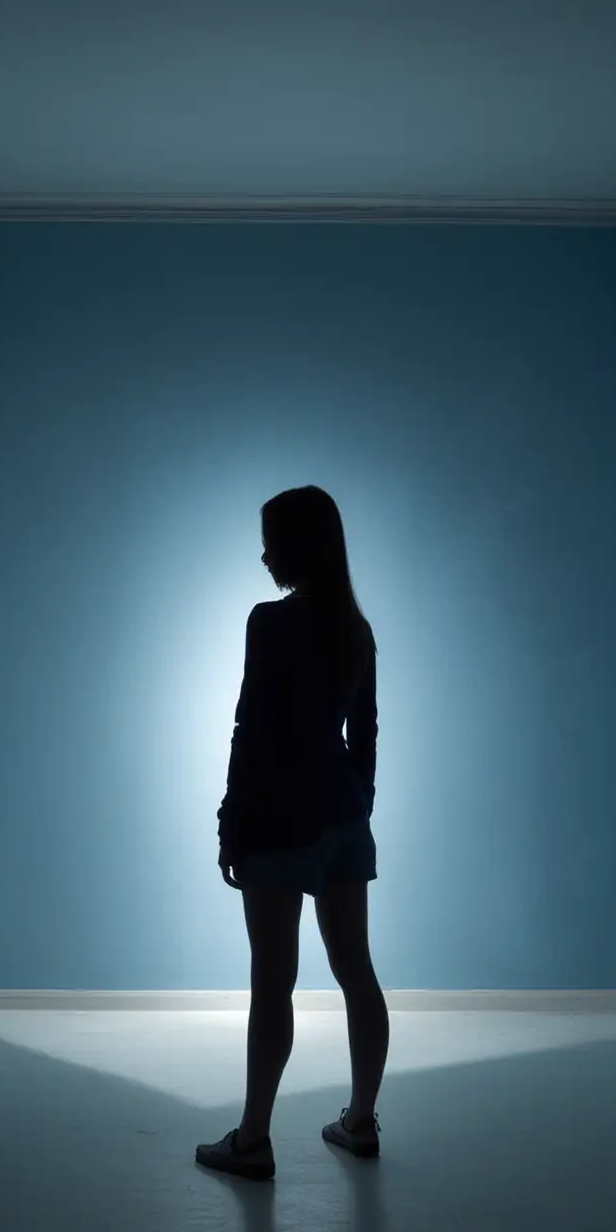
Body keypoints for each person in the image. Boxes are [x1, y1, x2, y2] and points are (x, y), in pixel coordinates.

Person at [195, 486, 389, 1181]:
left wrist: (230, 823)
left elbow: (251, 730)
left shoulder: (269, 623)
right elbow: (363, 738)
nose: (265, 553)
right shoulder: (356, 630)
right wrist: (356, 805)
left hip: (279, 819)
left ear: (299, 546)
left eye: (272, 539)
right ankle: (360, 1122)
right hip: (342, 819)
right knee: (356, 972)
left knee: (273, 984)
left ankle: (253, 1140)